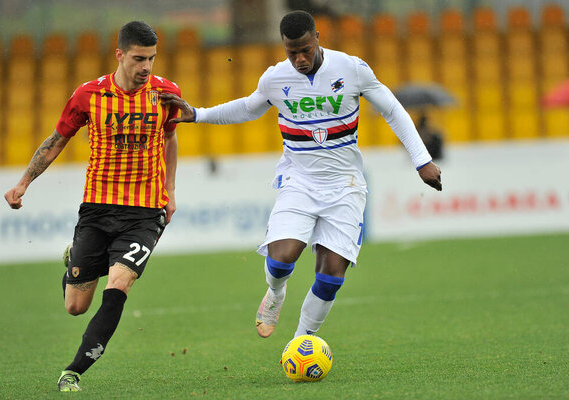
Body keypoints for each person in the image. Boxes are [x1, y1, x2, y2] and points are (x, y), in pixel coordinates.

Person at [162, 10, 441, 341]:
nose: (299, 58)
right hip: (300, 181)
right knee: (281, 259)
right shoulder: (275, 78)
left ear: (317, 38)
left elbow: (393, 110)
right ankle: (276, 293)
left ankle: (300, 342)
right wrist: (199, 114)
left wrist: (421, 160)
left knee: (331, 276)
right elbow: (249, 108)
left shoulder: (351, 69)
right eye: (291, 52)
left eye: (305, 49)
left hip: (346, 186)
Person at [4, 21, 180, 392]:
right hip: (98, 209)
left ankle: (73, 371)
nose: (146, 67)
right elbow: (56, 140)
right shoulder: (88, 95)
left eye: (151, 58)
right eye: (138, 58)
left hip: (145, 212)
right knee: (75, 306)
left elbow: (169, 138)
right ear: (120, 54)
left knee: (119, 283)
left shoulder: (166, 93)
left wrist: (170, 190)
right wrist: (23, 183)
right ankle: (74, 260)